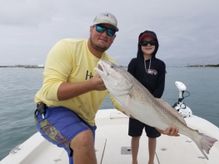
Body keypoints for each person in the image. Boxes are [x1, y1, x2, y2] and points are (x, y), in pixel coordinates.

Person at [34, 12, 178, 164]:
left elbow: (119, 102)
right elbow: (48, 91)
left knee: (83, 148)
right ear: (91, 29)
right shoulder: (66, 47)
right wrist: (91, 85)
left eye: (111, 31)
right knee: (84, 139)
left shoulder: (110, 64)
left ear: (114, 38)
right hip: (51, 112)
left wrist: (158, 124)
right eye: (101, 27)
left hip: (86, 122)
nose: (105, 34)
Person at [128, 30, 173, 164]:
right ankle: (134, 161)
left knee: (152, 136)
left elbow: (160, 87)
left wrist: (150, 103)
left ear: (156, 44)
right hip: (136, 107)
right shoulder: (134, 63)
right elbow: (129, 84)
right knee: (135, 136)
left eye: (151, 42)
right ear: (139, 45)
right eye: (144, 42)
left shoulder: (160, 64)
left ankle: (151, 161)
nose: (148, 45)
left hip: (154, 108)